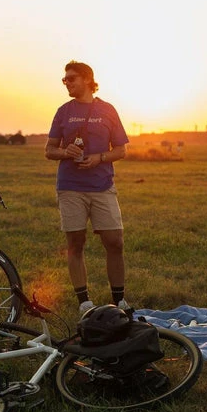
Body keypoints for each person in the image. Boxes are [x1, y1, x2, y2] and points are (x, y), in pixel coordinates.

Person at [45, 60, 129, 313]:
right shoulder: (63, 111)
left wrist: (99, 158)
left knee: (114, 241)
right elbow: (49, 150)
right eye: (64, 80)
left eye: (71, 78)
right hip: (70, 186)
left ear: (87, 80)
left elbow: (122, 150)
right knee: (75, 243)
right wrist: (65, 152)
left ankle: (119, 299)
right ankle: (85, 302)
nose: (67, 83)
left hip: (102, 185)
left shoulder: (108, 110)